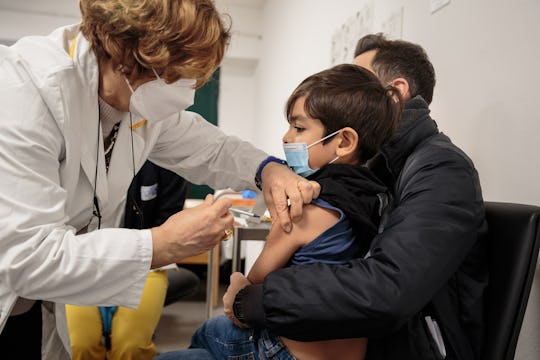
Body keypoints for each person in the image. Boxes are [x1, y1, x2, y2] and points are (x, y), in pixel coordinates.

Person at [0, 0, 318, 358]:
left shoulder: (134, 100)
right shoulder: (23, 92)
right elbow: (28, 259)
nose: (186, 94)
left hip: (31, 307)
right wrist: (162, 244)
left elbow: (210, 147)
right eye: (176, 76)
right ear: (123, 53)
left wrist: (267, 168)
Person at [218, 33, 487, 360]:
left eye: (360, 82)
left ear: (396, 92)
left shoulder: (441, 170)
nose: (346, 94)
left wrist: (255, 300)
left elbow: (388, 291)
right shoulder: (375, 169)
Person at [157, 63, 402, 360]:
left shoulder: (303, 209)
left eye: (299, 128)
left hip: (284, 351)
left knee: (206, 333)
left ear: (344, 141)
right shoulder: (379, 198)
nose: (286, 138)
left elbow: (250, 290)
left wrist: (235, 282)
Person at [66, 160, 190, 360]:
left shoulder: (164, 160)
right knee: (79, 344)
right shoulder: (74, 155)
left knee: (130, 347)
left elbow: (170, 225)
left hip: (147, 262)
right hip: (82, 259)